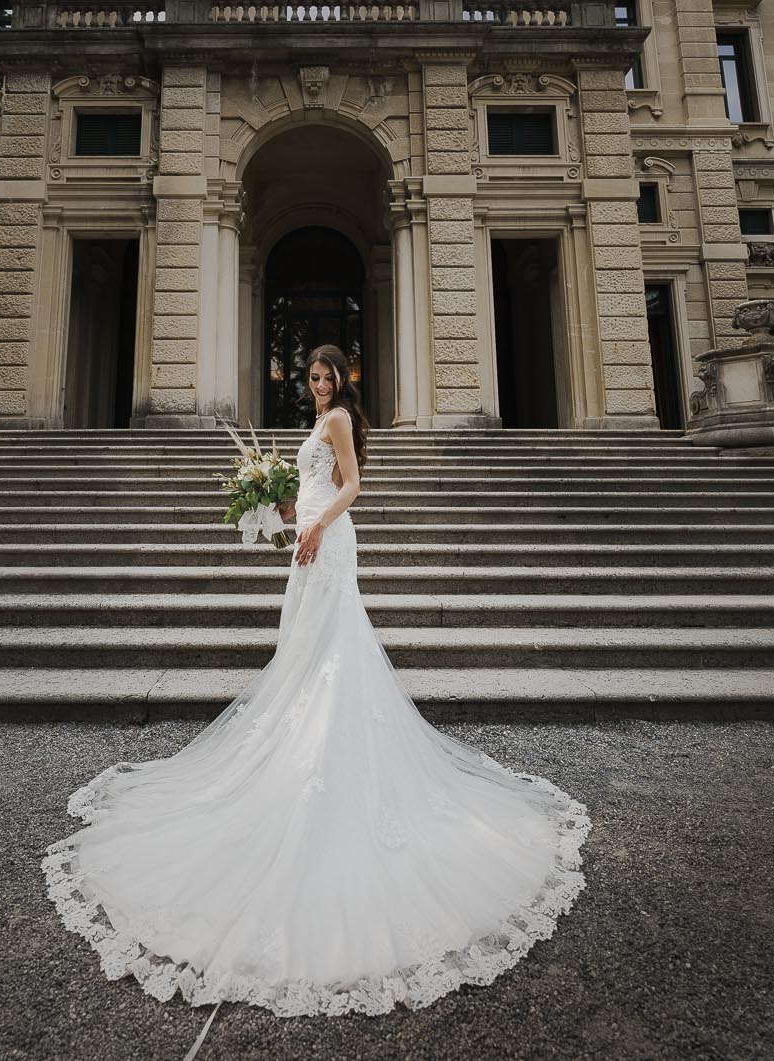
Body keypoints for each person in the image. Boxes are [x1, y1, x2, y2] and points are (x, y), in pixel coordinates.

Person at [42, 343, 591, 1018]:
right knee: (303, 650)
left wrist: (315, 527)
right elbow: (311, 485)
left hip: (328, 541)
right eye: (314, 376)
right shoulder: (318, 423)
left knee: (330, 650)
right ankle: (304, 744)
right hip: (308, 538)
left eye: (328, 376)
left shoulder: (337, 424)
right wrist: (273, 512)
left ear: (342, 381)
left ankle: (331, 760)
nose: (320, 384)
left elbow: (353, 485)